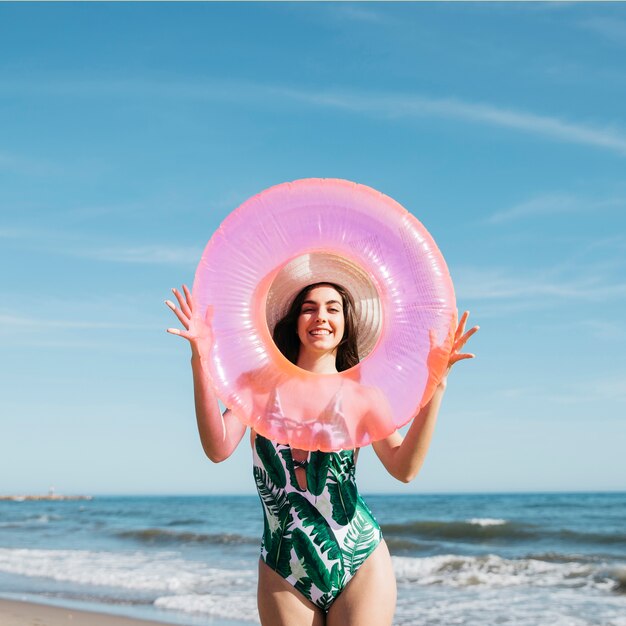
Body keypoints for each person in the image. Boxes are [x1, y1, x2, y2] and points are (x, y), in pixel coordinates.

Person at [166, 279, 478, 626]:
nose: (320, 317)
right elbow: (217, 448)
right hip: (282, 563)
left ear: (345, 325)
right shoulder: (258, 387)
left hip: (359, 558)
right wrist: (200, 359)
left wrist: (437, 386)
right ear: (295, 321)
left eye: (333, 308)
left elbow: (404, 468)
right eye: (309, 308)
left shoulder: (363, 397)